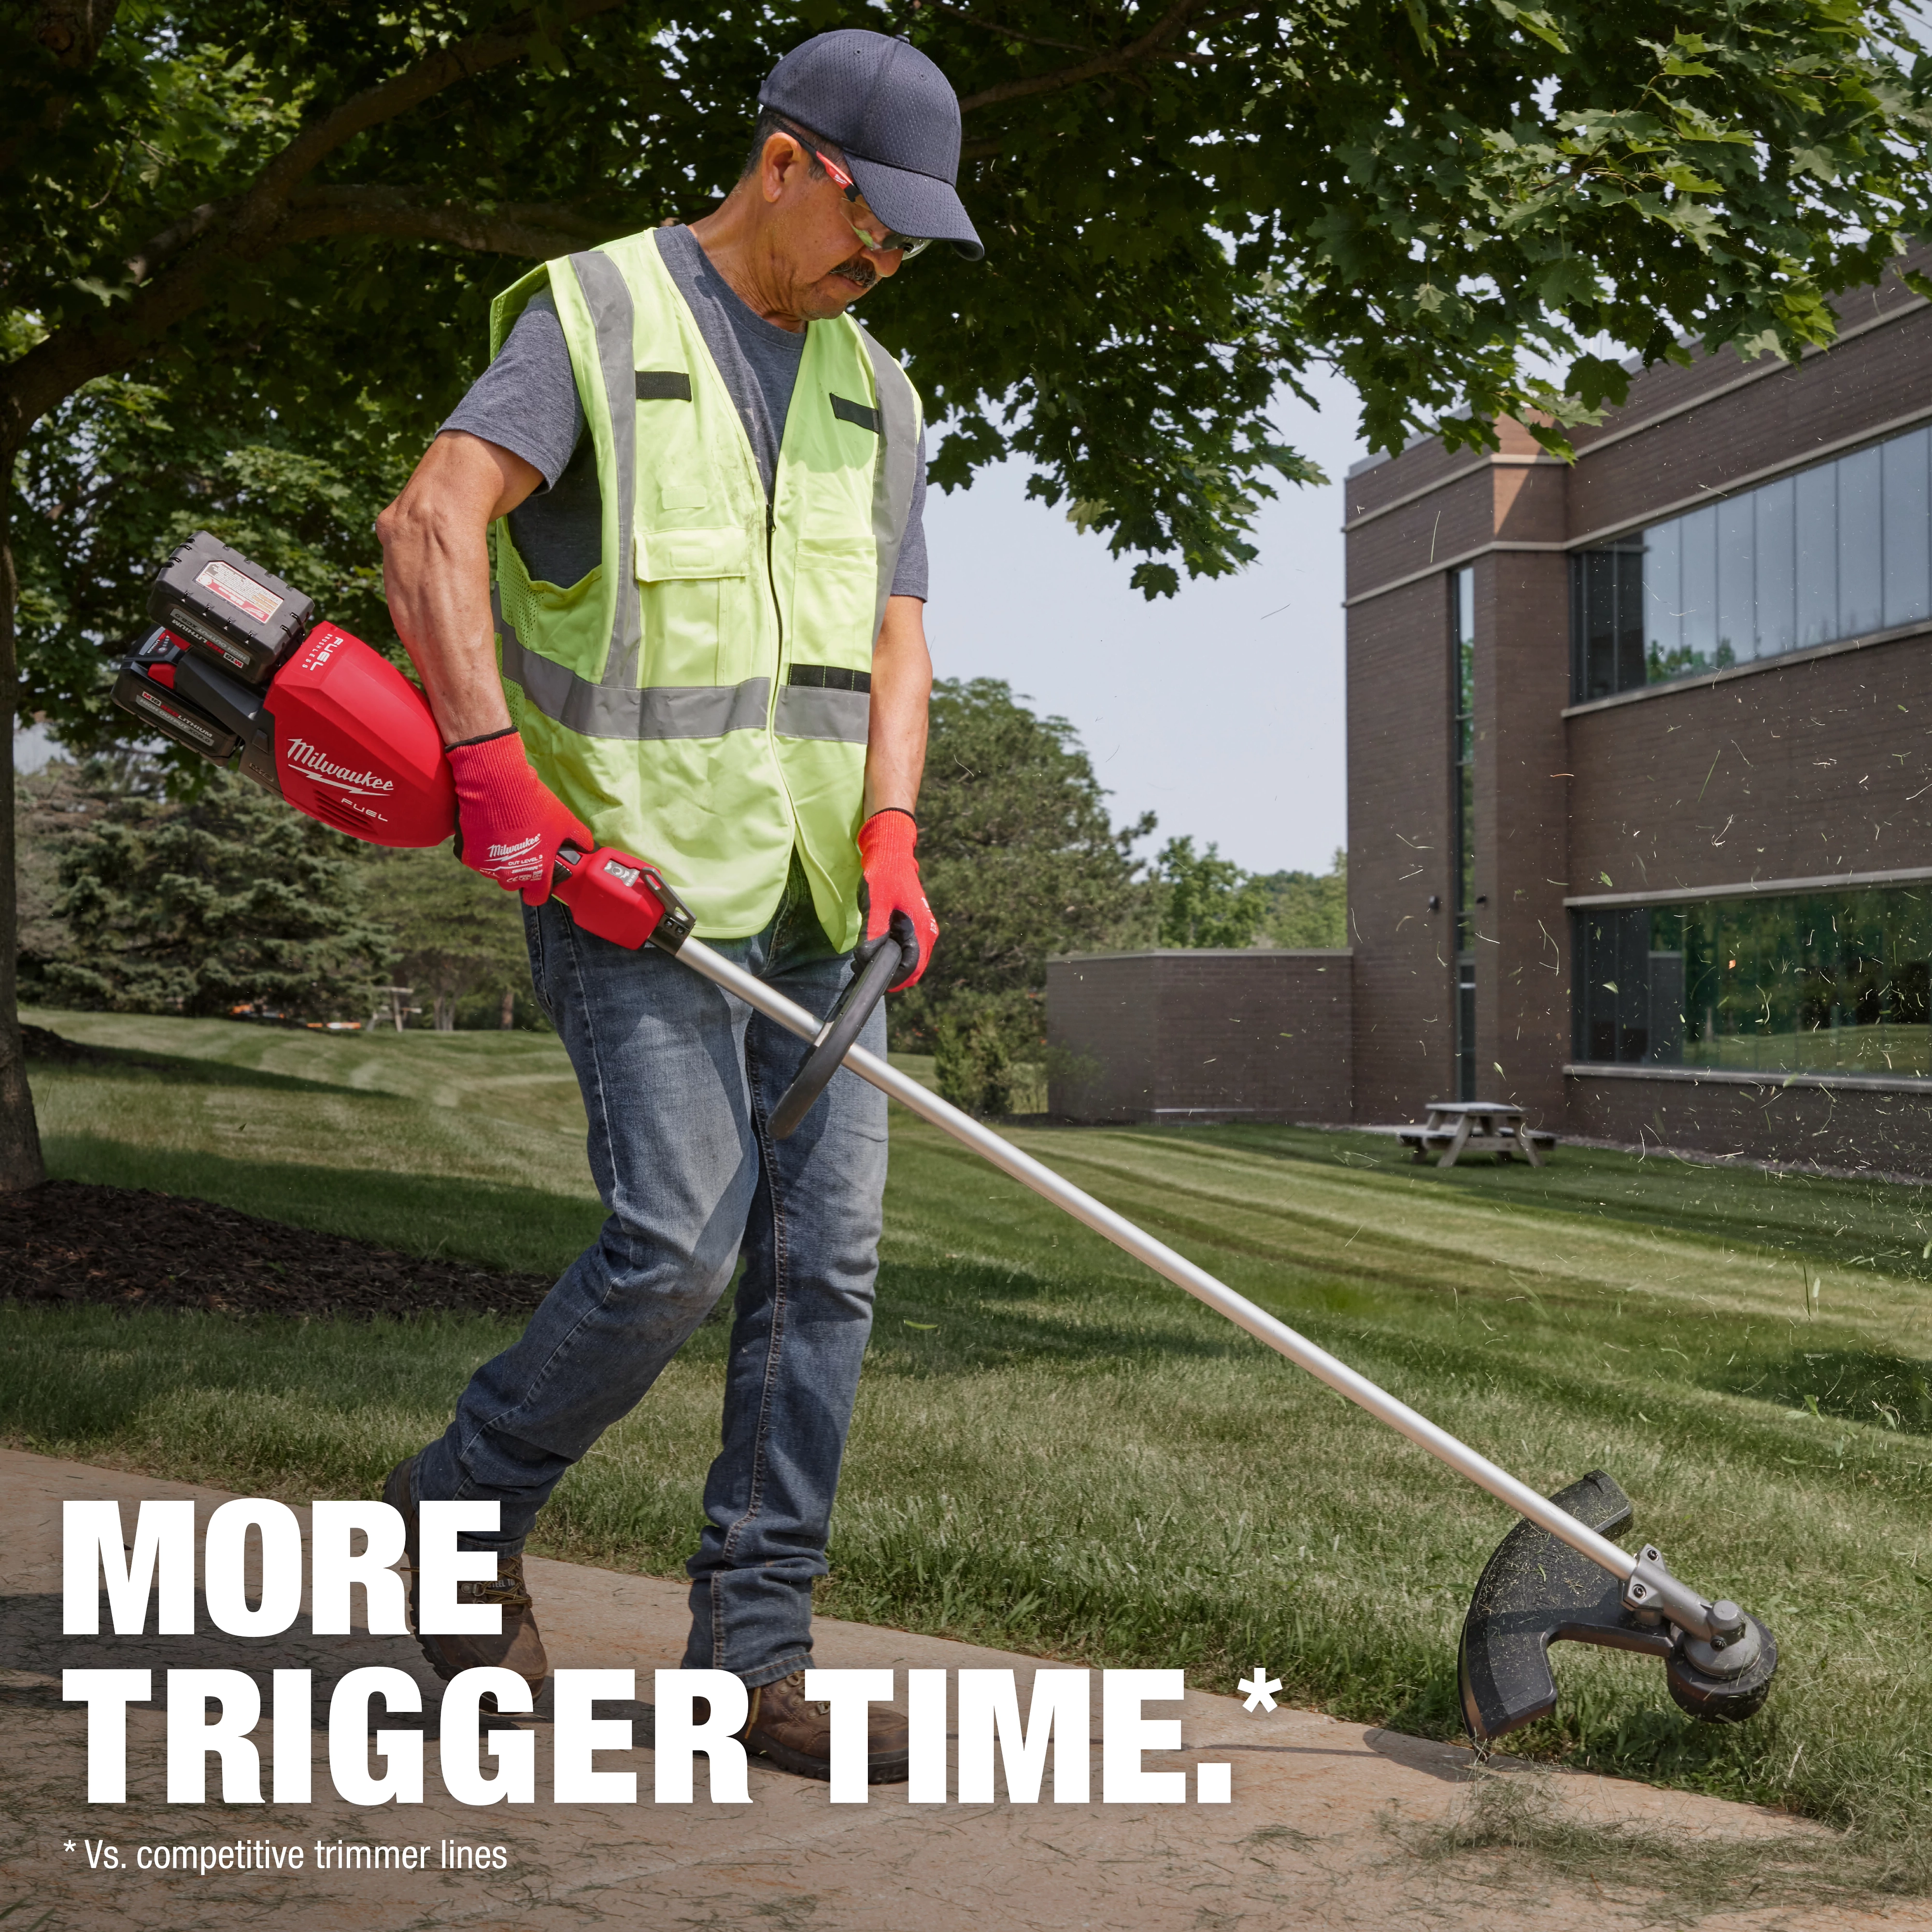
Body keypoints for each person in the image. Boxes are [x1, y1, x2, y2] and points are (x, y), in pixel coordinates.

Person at [371, 28, 981, 1785]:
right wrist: (490, 766)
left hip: (813, 898)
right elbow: (432, 524)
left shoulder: (879, 390)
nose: (885, 266)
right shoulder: (594, 317)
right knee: (680, 1245)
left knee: (826, 1280)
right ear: (786, 163)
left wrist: (893, 830)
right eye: (872, 223)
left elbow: (896, 636)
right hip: (624, 877)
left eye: (909, 244)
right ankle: (453, 1513)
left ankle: (758, 1659)